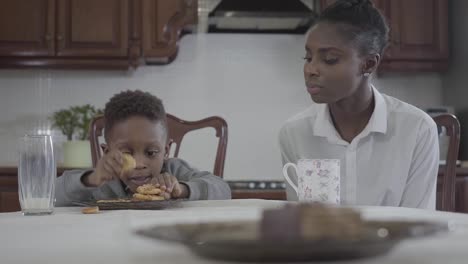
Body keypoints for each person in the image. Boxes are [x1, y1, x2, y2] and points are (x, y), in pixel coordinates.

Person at [279, 0, 439, 209]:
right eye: (308, 57)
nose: (310, 69)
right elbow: (304, 223)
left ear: (369, 64)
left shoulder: (418, 129)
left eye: (329, 59)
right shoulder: (294, 133)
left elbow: (419, 223)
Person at [56, 90, 231, 206]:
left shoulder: (174, 171)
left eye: (151, 152)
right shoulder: (103, 182)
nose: (139, 164)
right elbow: (50, 195)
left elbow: (223, 189)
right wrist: (91, 179)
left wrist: (182, 190)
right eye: (126, 153)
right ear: (107, 152)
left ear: (166, 150)